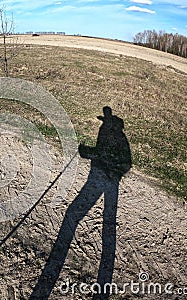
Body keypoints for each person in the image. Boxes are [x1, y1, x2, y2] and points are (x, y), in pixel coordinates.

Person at [31, 106, 131, 300]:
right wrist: (90, 153)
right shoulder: (118, 137)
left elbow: (104, 155)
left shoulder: (113, 137)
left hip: (102, 178)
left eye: (107, 122)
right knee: (100, 219)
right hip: (108, 178)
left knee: (73, 214)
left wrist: (87, 153)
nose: (105, 125)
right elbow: (114, 158)